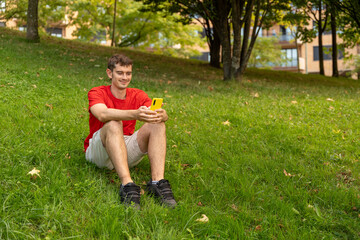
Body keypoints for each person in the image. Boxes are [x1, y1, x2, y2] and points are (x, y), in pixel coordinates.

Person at [84, 54, 176, 209]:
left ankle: (157, 182)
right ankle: (127, 185)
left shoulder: (138, 94)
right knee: (114, 123)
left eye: (128, 73)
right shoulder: (97, 92)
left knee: (158, 123)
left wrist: (162, 115)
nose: (124, 77)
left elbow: (161, 114)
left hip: (124, 148)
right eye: (120, 73)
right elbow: (102, 114)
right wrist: (135, 114)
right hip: (100, 149)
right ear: (109, 73)